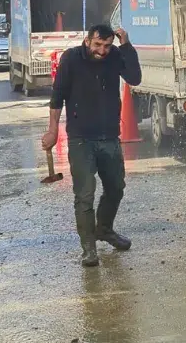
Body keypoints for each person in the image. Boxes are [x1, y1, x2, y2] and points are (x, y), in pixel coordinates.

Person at [41, 24, 142, 267]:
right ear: (88, 41)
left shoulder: (116, 56)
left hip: (109, 136)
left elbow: (135, 78)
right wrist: (53, 129)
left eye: (107, 45)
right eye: (98, 45)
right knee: (85, 195)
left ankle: (104, 229)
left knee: (116, 188)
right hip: (81, 139)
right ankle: (88, 248)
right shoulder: (71, 59)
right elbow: (58, 96)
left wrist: (126, 45)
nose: (102, 50)